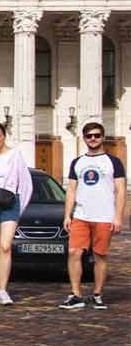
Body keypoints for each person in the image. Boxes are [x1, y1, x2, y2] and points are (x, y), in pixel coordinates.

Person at [59, 122, 125, 310]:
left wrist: (118, 217)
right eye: (89, 136)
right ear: (84, 138)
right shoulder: (78, 162)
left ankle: (97, 294)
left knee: (100, 255)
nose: (93, 139)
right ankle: (76, 294)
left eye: (96, 135)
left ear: (103, 137)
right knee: (74, 253)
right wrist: (67, 215)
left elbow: (120, 191)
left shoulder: (113, 162)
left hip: (104, 216)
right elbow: (71, 190)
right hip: (81, 215)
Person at [0, 119, 32, 306]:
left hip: (10, 203)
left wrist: (20, 205)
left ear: (4, 136)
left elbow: (26, 183)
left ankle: (4, 289)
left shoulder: (15, 155)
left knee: (6, 246)